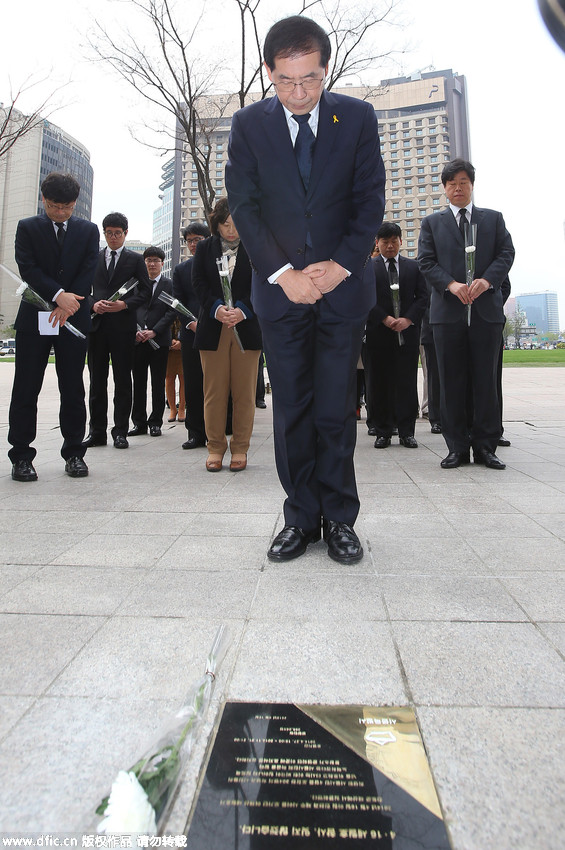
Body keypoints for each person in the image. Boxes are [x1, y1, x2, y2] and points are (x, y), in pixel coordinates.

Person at [226, 15, 385, 563]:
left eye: (311, 79)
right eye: (286, 81)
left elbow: (370, 202)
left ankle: (340, 518)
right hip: (280, 293)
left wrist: (342, 265)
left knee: (336, 409)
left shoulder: (358, 117)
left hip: (342, 291)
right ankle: (299, 518)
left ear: (325, 69)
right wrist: (282, 274)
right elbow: (245, 209)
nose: (299, 93)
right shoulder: (249, 125)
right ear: (268, 70)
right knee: (292, 408)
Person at [418, 158, 515, 470]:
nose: (457, 188)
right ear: (445, 189)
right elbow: (426, 261)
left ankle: (486, 447)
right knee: (451, 382)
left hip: (486, 314)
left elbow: (506, 253)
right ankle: (457, 447)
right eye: (451, 183)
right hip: (448, 315)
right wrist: (451, 284)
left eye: (462, 182)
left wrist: (487, 281)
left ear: (472, 185)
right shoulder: (432, 223)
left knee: (486, 382)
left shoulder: (493, 220)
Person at [8, 172, 99, 481]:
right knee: (26, 387)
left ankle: (74, 452)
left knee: (72, 386)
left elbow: (89, 267)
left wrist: (71, 301)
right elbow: (28, 268)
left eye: (68, 207)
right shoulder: (28, 227)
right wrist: (59, 296)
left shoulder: (88, 230)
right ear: (43, 199)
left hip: (73, 318)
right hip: (36, 317)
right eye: (54, 206)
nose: (61, 213)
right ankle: (21, 456)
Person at [192, 198, 262, 472]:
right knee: (214, 393)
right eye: (225, 224)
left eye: (236, 224)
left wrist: (242, 310)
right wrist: (215, 308)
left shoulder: (257, 248)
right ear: (216, 224)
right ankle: (215, 448)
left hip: (246, 326)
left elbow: (263, 283)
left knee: (244, 394)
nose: (231, 230)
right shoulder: (205, 248)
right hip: (214, 328)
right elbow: (197, 283)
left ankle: (240, 448)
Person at [84, 212, 151, 449]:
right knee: (96, 382)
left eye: (118, 233)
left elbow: (145, 292)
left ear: (126, 234)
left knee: (123, 381)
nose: (113, 237)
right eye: (109, 233)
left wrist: (124, 304)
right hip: (97, 327)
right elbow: (83, 288)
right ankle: (97, 431)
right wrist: (92, 303)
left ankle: (120, 431)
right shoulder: (93, 257)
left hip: (123, 328)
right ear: (104, 233)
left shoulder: (134, 260)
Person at [364, 222, 427, 450]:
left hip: (407, 334)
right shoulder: (368, 268)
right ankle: (383, 431)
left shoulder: (414, 267)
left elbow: (422, 297)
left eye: (393, 241)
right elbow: (365, 298)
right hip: (378, 334)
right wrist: (385, 318)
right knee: (379, 383)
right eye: (384, 242)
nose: (389, 246)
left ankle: (407, 432)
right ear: (377, 243)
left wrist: (407, 320)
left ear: (401, 241)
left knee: (406, 382)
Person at [128, 246, 176, 437]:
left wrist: (155, 331)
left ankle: (155, 422)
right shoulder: (135, 284)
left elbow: (173, 311)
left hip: (159, 341)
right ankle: (138, 423)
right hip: (138, 340)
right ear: (144, 262)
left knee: (158, 382)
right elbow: (129, 308)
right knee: (138, 383)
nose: (152, 264)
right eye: (148, 260)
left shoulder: (169, 285)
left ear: (162, 263)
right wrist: (137, 330)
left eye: (156, 260)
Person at [172, 221, 209, 449]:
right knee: (193, 384)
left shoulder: (219, 265)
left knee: (217, 384)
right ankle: (195, 433)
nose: (193, 244)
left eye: (198, 240)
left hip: (217, 332)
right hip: (191, 334)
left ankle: (221, 427)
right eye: (189, 241)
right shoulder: (181, 270)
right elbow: (178, 303)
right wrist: (191, 323)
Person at [166, 317, 185, 422]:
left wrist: (181, 341)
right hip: (169, 346)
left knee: (183, 377)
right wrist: (170, 340)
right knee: (169, 377)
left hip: (184, 345)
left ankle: (182, 408)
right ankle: (173, 409)